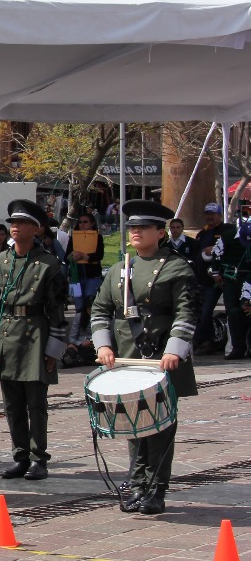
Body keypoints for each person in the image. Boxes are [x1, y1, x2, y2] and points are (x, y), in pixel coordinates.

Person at [91, 200, 198, 516]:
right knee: (133, 424)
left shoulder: (177, 267)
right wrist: (103, 346)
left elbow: (187, 312)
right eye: (132, 227)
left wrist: (174, 349)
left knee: (160, 427)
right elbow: (100, 309)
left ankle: (156, 489)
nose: (135, 232)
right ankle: (137, 484)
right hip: (127, 357)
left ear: (160, 232)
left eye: (143, 227)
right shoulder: (118, 270)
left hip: (160, 358)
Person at [0, 199, 70, 482]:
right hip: (8, 332)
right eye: (13, 222)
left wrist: (54, 349)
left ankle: (39, 458)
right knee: (11, 403)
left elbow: (58, 309)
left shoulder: (49, 264)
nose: (15, 227)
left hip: (36, 333)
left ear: (36, 229)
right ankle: (20, 456)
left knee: (36, 403)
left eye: (22, 223)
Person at [205, 212, 250, 359]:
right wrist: (216, 272)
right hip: (230, 279)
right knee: (233, 312)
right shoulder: (228, 236)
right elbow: (216, 254)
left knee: (247, 310)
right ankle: (237, 347)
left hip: (249, 278)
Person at [194, 203, 226, 354]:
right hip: (200, 279)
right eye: (207, 214)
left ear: (220, 215)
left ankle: (206, 342)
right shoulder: (201, 234)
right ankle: (204, 340)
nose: (210, 217)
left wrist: (214, 249)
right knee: (200, 313)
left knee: (206, 312)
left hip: (217, 280)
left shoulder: (227, 231)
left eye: (213, 214)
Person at [68, 211, 105, 342]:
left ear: (92, 223)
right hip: (74, 278)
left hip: (92, 277)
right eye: (80, 222)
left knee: (90, 305)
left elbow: (99, 255)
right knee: (78, 308)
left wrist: (85, 256)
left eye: (85, 222)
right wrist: (72, 255)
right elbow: (65, 257)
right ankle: (73, 338)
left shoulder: (98, 237)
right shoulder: (73, 237)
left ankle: (90, 336)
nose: (82, 224)